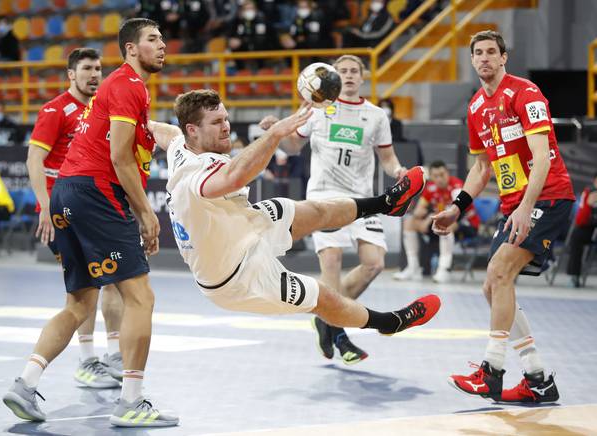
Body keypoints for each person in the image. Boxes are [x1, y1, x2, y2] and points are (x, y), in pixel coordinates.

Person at [148, 89, 439, 367]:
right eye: (216, 122)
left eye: (225, 119)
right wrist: (275, 134)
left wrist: (138, 120)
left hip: (243, 226)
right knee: (322, 297)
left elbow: (166, 132)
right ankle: (389, 322)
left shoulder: (181, 146)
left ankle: (387, 203)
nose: (226, 127)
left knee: (312, 209)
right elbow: (234, 176)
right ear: (193, 130)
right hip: (237, 275)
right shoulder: (195, 176)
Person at [3, 18, 179, 428]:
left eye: (163, 38)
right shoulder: (128, 85)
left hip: (68, 191)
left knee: (80, 303)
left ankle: (24, 384)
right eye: (153, 39)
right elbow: (119, 157)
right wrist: (145, 211)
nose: (163, 45)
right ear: (131, 49)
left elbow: (131, 145)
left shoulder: (121, 89)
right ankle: (131, 401)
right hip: (94, 191)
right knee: (142, 298)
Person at [433, 30, 575, 403]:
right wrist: (456, 207)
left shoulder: (525, 93)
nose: (484, 58)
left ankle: (491, 372)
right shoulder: (477, 106)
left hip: (548, 197)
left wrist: (527, 208)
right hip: (514, 204)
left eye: (491, 52)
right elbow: (481, 168)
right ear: (472, 60)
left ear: (503, 57)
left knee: (498, 273)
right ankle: (537, 378)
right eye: (477, 53)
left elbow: (542, 158)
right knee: (492, 286)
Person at [260, 55, 408, 365]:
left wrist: (398, 171)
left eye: (355, 71)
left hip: (362, 201)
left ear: (363, 77)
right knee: (332, 260)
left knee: (374, 263)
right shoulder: (318, 110)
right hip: (324, 198)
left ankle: (327, 317)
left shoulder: (377, 116)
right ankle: (339, 332)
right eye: (343, 71)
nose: (349, 76)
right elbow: (292, 147)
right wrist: (276, 130)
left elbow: (388, 158)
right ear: (333, 78)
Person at [25, 48, 123, 389]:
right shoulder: (55, 110)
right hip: (61, 208)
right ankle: (86, 361)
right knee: (87, 288)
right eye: (86, 69)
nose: (94, 74)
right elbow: (34, 161)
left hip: (91, 204)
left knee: (111, 277)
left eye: (98, 68)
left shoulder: (100, 110)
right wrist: (45, 208)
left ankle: (113, 356)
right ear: (71, 74)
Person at [393, 160, 480, 283]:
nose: (439, 179)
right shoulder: (431, 188)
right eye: (436, 176)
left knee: (446, 225)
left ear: (447, 173)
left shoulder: (456, 186)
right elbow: (419, 210)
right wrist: (418, 212)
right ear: (431, 177)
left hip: (466, 224)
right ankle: (413, 267)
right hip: (438, 221)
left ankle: (444, 269)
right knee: (409, 223)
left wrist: (429, 218)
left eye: (442, 174)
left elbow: (458, 213)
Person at [566, 172, 597, 287]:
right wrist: (589, 204)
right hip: (589, 229)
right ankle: (574, 276)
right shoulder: (589, 192)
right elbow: (580, 220)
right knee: (577, 235)